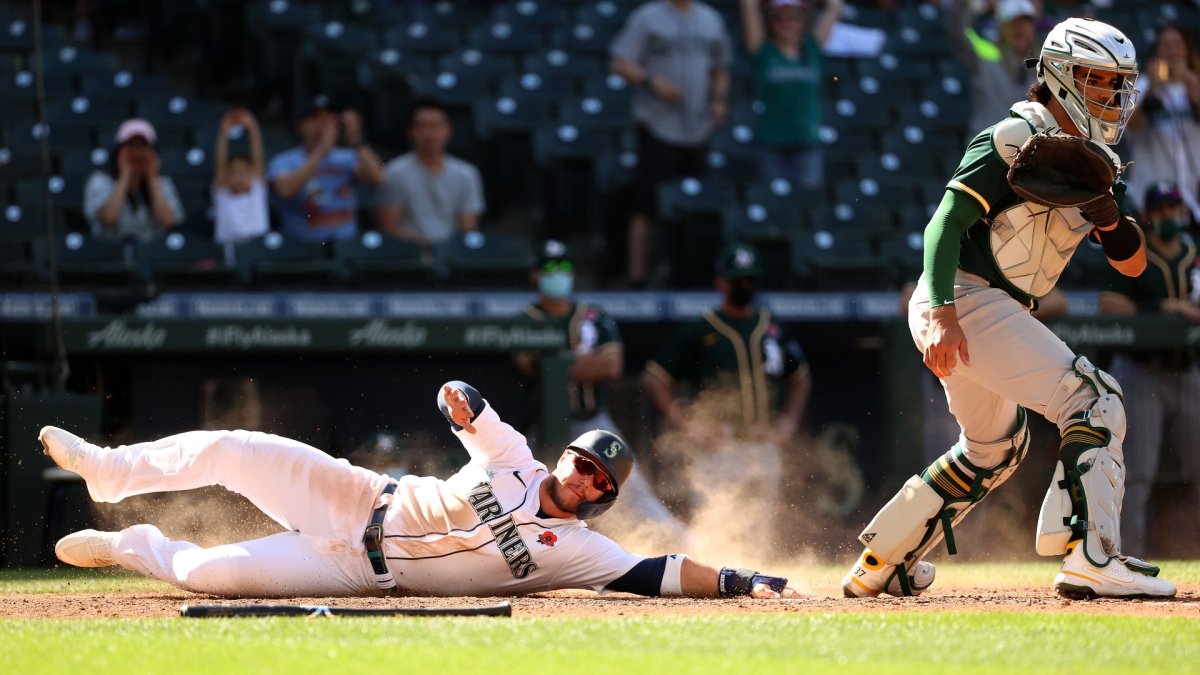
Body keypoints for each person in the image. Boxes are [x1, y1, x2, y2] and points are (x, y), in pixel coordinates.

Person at [840, 17, 1177, 600]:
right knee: (1094, 398)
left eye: (1117, 83)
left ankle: (882, 562)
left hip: (992, 303)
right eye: (1098, 80)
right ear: (1061, 76)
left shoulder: (1095, 157)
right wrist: (943, 313)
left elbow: (1134, 266)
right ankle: (1092, 557)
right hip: (963, 294)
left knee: (995, 447)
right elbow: (943, 225)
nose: (1111, 95)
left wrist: (1106, 213)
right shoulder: (1014, 135)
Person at [43, 381, 798, 599]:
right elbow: (462, 400)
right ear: (564, 457)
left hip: (359, 572)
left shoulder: (577, 550)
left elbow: (660, 572)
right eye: (581, 462)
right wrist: (460, 399)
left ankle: (132, 545)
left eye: (597, 479)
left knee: (209, 575)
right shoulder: (513, 456)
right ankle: (111, 471)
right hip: (358, 497)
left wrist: (739, 578)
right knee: (233, 448)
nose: (583, 476)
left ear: (601, 497)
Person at [515, 240, 690, 546]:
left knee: (632, 492)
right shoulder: (525, 320)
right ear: (535, 274)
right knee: (526, 491)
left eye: (564, 267)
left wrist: (557, 365)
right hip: (540, 426)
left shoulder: (592, 316)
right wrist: (580, 364)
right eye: (549, 268)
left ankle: (683, 547)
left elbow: (612, 365)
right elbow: (531, 365)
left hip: (591, 424)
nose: (558, 274)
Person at [642, 243, 810, 545]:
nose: (745, 285)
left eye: (750, 279)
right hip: (719, 444)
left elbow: (800, 377)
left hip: (762, 442)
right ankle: (711, 584)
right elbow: (655, 377)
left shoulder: (770, 327)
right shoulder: (702, 329)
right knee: (713, 525)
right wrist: (687, 424)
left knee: (759, 531)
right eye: (738, 279)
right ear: (721, 282)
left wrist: (789, 421)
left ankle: (755, 582)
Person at [1098, 181, 1200, 558]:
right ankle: (1126, 559)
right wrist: (1166, 309)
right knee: (1137, 473)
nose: (1167, 216)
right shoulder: (1132, 252)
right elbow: (1108, 305)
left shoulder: (1193, 251)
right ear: (1148, 216)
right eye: (1159, 210)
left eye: (1173, 209)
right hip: (1142, 370)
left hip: (1189, 369)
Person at [610, 0, 734, 288]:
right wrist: (652, 81)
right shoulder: (648, 16)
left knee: (695, 209)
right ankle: (637, 277)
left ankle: (691, 275)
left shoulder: (710, 18)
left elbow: (721, 68)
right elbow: (620, 63)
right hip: (658, 125)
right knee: (647, 206)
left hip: (698, 127)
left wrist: (718, 100)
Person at [738, 0, 843, 189]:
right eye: (779, 17)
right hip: (772, 143)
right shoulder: (763, 52)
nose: (788, 23)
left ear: (804, 21)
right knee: (774, 203)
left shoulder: (811, 49)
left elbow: (834, 7)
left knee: (809, 202)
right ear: (770, 22)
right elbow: (748, 5)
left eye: (795, 17)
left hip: (807, 142)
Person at [267, 95, 385, 243]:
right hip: (303, 248)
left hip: (346, 246)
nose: (323, 125)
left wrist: (356, 141)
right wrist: (321, 150)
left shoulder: (348, 157)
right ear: (301, 125)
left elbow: (379, 178)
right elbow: (285, 190)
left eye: (330, 118)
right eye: (316, 118)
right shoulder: (284, 161)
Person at [376, 97, 485, 249]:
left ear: (448, 129)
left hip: (452, 255)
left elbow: (467, 227)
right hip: (410, 254)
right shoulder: (394, 172)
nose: (429, 133)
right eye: (422, 126)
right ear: (411, 132)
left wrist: (445, 250)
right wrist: (425, 246)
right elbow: (388, 227)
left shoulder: (467, 174)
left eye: (435, 126)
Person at [1126, 23, 1200, 224]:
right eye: (1165, 45)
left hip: (1192, 199)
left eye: (1177, 44)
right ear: (1157, 51)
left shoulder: (1196, 85)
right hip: (1152, 201)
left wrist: (1195, 94)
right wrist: (1152, 88)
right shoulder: (1142, 86)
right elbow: (1132, 126)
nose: (1172, 51)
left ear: (1187, 50)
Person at [946, 0, 1041, 136]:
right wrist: (964, 4)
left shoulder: (1042, 63)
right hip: (986, 146)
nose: (1020, 29)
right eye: (1013, 23)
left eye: (1026, 22)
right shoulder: (986, 54)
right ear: (1001, 27)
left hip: (1024, 149)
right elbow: (959, 33)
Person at [83, 118, 184, 242]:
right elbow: (108, 218)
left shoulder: (162, 183)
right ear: (118, 150)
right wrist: (125, 175)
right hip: (110, 254)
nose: (137, 152)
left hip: (151, 256)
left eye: (143, 145)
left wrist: (152, 177)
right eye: (131, 145)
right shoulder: (100, 180)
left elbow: (168, 222)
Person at [212, 107, 269, 247]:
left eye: (244, 172)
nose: (239, 176)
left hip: (259, 252)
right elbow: (220, 161)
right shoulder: (223, 194)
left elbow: (258, 156)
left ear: (252, 173)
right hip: (230, 257)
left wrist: (252, 126)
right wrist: (224, 130)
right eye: (233, 172)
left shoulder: (257, 191)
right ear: (226, 177)